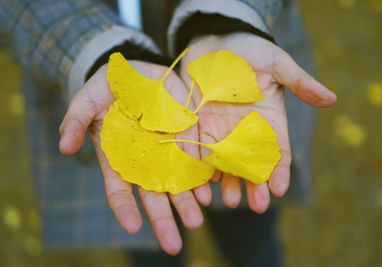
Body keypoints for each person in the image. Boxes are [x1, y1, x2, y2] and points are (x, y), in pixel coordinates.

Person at [0, 0, 336, 266]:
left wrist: (226, 17)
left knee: (250, 235)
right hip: (89, 78)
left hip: (235, 82)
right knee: (151, 245)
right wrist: (91, 49)